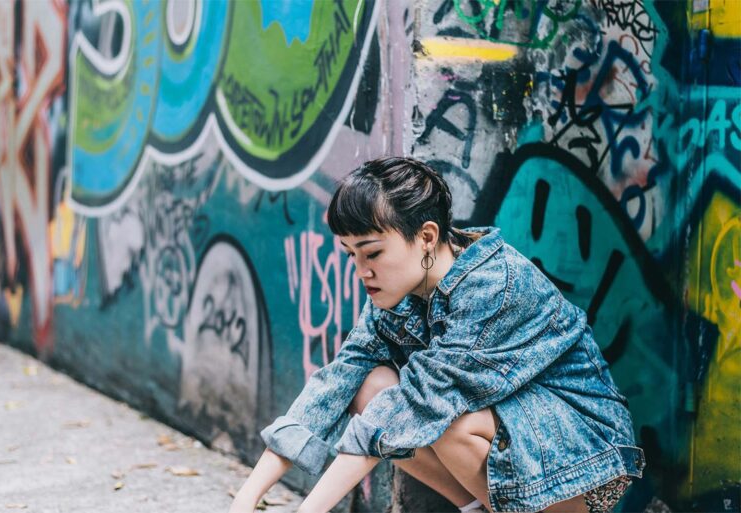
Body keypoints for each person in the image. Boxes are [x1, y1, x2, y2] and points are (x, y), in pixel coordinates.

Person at [228, 157, 645, 513]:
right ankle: (477, 507)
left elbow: (414, 406)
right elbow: (332, 385)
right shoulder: (395, 296)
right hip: (518, 452)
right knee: (369, 385)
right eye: (351, 254)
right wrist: (244, 500)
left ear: (426, 237)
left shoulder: (492, 287)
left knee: (443, 416)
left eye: (372, 252)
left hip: (587, 461)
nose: (362, 271)